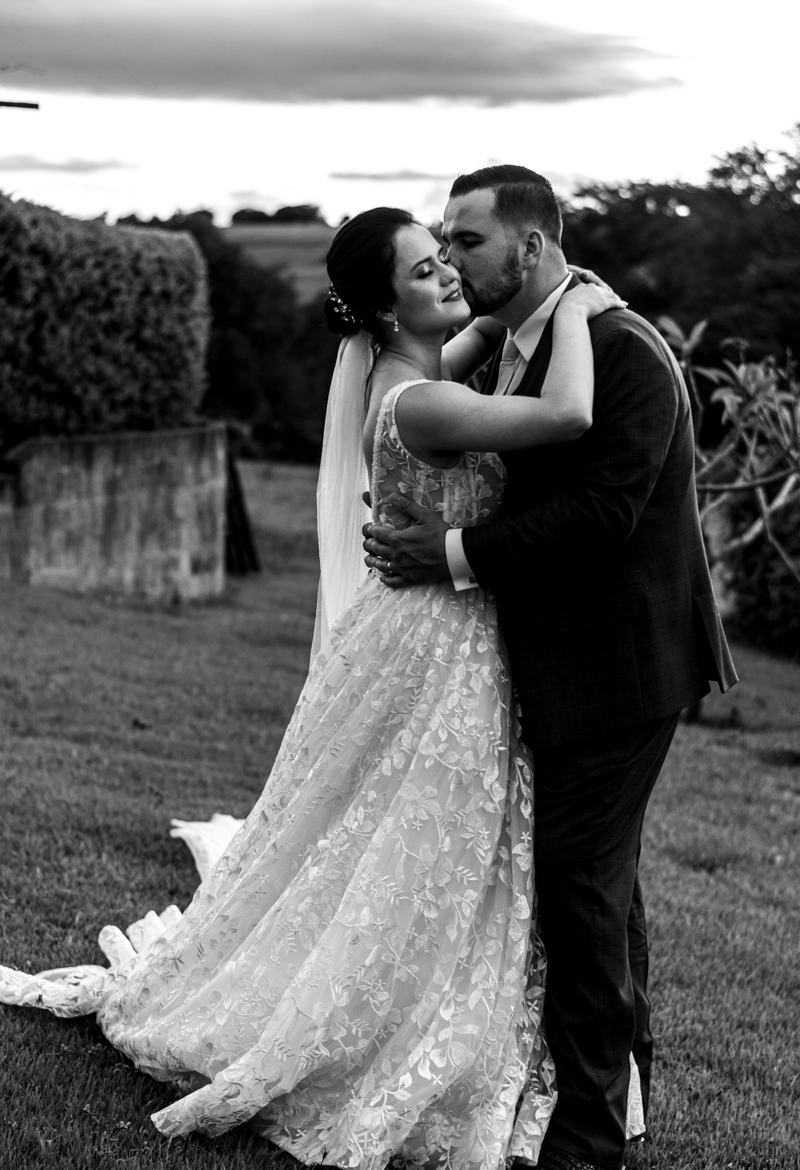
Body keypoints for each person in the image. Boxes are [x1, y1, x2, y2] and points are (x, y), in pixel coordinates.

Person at [0, 208, 628, 1170]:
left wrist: (508, 309)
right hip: (442, 643)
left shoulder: (409, 371)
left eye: (446, 257)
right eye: (424, 271)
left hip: (424, 629)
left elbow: (471, 334)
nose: (447, 276)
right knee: (423, 832)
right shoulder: (419, 402)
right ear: (384, 310)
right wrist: (577, 304)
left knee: (398, 831)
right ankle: (385, 1017)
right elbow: (568, 415)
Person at [363, 169, 739, 1170]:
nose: (453, 257)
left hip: (621, 667)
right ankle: (621, 1098)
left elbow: (601, 515)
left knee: (579, 889)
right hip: (556, 659)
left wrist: (448, 554)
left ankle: (585, 1137)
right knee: (598, 886)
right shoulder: (510, 342)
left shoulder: (624, 351)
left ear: (529, 247)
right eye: (442, 241)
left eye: (468, 239)